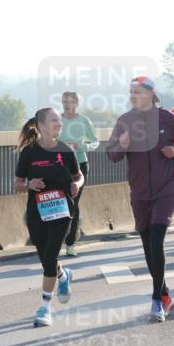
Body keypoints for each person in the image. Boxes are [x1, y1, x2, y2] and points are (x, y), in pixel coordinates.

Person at [107, 76, 174, 322]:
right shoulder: (125, 121)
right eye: (130, 92)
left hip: (166, 189)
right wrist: (122, 145)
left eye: (137, 92)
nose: (132, 96)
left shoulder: (168, 118)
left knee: (157, 242)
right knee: (147, 245)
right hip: (139, 192)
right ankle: (165, 294)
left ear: (150, 94)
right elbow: (112, 155)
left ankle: (156, 300)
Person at [15, 108, 84, 327]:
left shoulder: (65, 150)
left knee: (51, 256)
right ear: (41, 125)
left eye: (59, 121)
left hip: (62, 209)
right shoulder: (28, 152)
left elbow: (79, 175)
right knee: (47, 258)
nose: (59, 124)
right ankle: (63, 276)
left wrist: (77, 184)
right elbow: (18, 183)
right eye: (54, 120)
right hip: (37, 212)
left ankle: (45, 308)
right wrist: (29, 184)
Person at [59, 91, 99, 256]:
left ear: (77, 103)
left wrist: (83, 146)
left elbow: (95, 141)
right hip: (59, 165)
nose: (67, 104)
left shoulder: (84, 121)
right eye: (64, 101)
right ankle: (56, 239)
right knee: (59, 201)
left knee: (72, 202)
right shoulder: (56, 119)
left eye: (70, 101)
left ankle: (70, 244)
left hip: (79, 164)